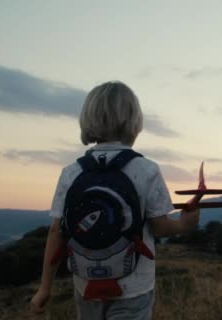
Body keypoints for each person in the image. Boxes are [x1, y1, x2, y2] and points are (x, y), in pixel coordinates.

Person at [30, 81, 200, 319]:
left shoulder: (71, 172)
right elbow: (160, 227)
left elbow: (56, 231)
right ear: (134, 121)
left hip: (85, 283)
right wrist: (185, 223)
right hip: (134, 288)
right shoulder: (146, 169)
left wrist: (45, 288)